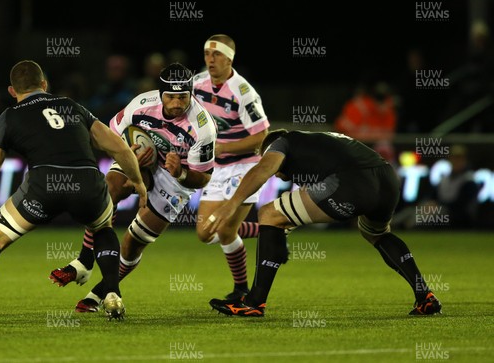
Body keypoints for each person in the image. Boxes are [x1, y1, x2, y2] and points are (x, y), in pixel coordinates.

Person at [0, 60, 146, 324]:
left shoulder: (9, 116)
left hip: (43, 188)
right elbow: (120, 148)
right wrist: (138, 181)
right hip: (87, 184)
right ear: (45, 84)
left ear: (12, 91)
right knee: (102, 228)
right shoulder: (72, 106)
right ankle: (113, 293)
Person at [205, 129, 442, 317]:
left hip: (349, 181)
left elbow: (265, 168)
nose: (277, 175)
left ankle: (253, 303)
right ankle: (424, 295)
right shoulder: (315, 142)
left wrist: (232, 203)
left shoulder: (282, 142)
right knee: (376, 233)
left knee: (269, 213)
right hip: (387, 178)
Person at [49, 63, 217, 313]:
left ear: (190, 94)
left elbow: (203, 178)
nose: (176, 103)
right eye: (170, 96)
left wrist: (180, 172)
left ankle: (100, 291)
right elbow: (108, 136)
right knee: (109, 191)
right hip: (140, 155)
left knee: (132, 243)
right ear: (160, 93)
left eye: (183, 96)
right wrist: (129, 155)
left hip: (174, 179)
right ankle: (85, 260)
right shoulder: (141, 105)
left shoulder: (203, 127)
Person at [193, 34, 270, 300]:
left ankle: (240, 289)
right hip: (216, 167)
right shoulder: (198, 83)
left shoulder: (244, 92)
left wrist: (224, 147)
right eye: (206, 54)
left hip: (245, 167)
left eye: (216, 55)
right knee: (204, 233)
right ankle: (271, 229)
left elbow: (262, 137)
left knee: (225, 230)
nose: (210, 60)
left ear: (230, 59)